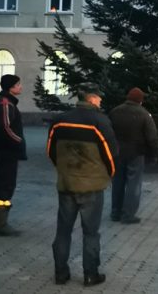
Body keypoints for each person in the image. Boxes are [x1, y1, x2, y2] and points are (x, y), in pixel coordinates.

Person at [47, 84, 118, 287]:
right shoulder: (100, 122)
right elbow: (112, 154)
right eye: (99, 97)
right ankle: (90, 274)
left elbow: (51, 151)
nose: (101, 101)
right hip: (92, 187)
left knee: (63, 231)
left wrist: (63, 171)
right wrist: (107, 175)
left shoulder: (59, 121)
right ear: (92, 99)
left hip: (67, 184)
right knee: (91, 232)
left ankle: (60, 273)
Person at [108, 87, 158, 224]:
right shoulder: (144, 114)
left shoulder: (115, 111)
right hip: (136, 153)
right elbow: (152, 137)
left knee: (117, 181)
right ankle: (128, 214)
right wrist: (153, 154)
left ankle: (115, 212)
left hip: (117, 152)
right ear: (140, 101)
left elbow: (108, 132)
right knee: (133, 183)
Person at [0, 73, 26, 237]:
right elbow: (6, 128)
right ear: (11, 87)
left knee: (0, 185)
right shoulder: (5, 104)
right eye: (18, 84)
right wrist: (19, 141)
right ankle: (0, 224)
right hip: (7, 152)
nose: (21, 87)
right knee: (5, 186)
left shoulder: (6, 102)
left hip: (4, 151)